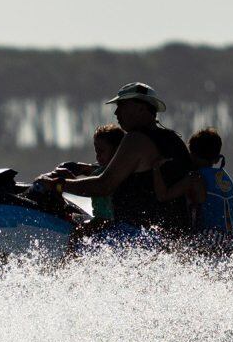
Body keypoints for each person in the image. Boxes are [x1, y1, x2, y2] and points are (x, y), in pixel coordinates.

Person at [43, 83, 196, 246]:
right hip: (174, 237)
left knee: (72, 240)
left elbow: (104, 185)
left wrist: (58, 185)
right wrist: (85, 169)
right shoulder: (175, 140)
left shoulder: (136, 139)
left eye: (121, 105)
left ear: (141, 107)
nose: (116, 112)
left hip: (140, 236)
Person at [185, 127, 233, 258]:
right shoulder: (225, 177)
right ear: (216, 159)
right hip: (232, 239)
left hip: (210, 234)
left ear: (192, 155)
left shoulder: (196, 178)